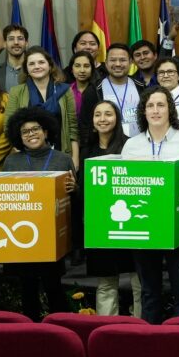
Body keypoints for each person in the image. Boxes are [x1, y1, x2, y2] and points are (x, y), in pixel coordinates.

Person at [120, 89, 179, 323]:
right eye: (150, 105)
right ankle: (149, 344)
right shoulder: (131, 146)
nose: (155, 110)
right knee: (149, 292)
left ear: (170, 109)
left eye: (161, 105)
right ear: (143, 111)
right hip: (144, 228)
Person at [2, 107, 77, 319]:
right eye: (25, 131)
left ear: (46, 131)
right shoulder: (11, 162)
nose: (31, 134)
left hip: (51, 236)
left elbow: (73, 200)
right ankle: (31, 333)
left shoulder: (62, 159)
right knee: (27, 289)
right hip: (22, 236)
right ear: (18, 136)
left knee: (54, 288)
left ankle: (62, 331)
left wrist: (75, 189)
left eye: (35, 129)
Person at [78, 99, 138, 317]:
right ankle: (106, 330)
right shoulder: (86, 150)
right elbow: (83, 187)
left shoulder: (131, 146)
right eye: (98, 114)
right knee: (105, 284)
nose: (103, 119)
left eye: (108, 114)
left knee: (137, 282)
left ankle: (140, 328)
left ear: (117, 118)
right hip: (100, 224)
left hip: (130, 223)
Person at [6, 47, 77, 165]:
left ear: (50, 66)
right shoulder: (16, 92)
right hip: (28, 155)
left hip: (61, 153)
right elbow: (9, 126)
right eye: (31, 64)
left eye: (41, 62)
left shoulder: (65, 90)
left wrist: (74, 158)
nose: (37, 66)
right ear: (26, 69)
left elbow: (73, 127)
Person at [83, 43, 144, 141]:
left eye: (122, 60)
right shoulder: (95, 90)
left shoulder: (141, 87)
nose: (118, 64)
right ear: (106, 63)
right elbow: (86, 125)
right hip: (107, 149)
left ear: (131, 62)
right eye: (113, 60)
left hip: (139, 146)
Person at [0, 25, 29, 93]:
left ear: (26, 43)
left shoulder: (35, 70)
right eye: (11, 39)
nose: (16, 42)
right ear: (5, 43)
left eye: (20, 38)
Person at [153, 57, 179, 129]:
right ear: (157, 78)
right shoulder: (152, 97)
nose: (166, 76)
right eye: (161, 72)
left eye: (170, 72)